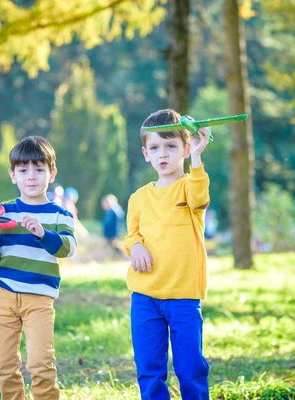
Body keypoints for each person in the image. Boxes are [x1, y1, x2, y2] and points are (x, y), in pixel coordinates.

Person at [0, 136, 76, 400]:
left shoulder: (60, 214)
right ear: (13, 175)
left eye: (39, 169)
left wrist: (43, 233)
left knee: (40, 365)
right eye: (23, 170)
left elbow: (67, 248)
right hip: (2, 297)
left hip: (39, 300)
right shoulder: (1, 212)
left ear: (52, 173)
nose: (31, 177)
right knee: (3, 365)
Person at [123, 109, 211, 399]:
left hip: (184, 296)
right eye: (155, 147)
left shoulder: (189, 187)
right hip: (145, 297)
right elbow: (131, 235)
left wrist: (198, 157)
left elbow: (201, 198)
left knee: (190, 367)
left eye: (171, 146)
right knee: (149, 368)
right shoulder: (138, 198)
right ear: (145, 153)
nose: (163, 154)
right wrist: (135, 246)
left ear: (185, 149)